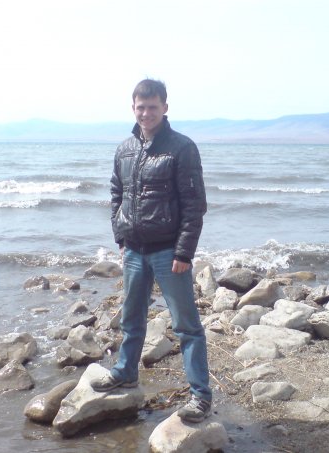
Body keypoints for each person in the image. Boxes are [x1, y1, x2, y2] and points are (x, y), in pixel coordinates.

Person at [90, 79, 212, 423]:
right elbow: (117, 194)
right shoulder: (125, 149)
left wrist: (184, 253)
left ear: (165, 108)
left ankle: (200, 396)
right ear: (133, 108)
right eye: (140, 107)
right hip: (133, 251)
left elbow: (194, 205)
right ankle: (126, 372)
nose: (146, 113)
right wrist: (120, 237)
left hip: (168, 253)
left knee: (186, 327)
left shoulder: (182, 148)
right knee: (131, 319)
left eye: (152, 107)